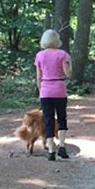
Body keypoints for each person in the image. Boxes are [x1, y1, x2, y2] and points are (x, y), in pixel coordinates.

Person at [35, 29, 73, 161]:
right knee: (62, 118)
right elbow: (68, 74)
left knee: (48, 119)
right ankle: (61, 146)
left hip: (46, 90)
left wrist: (40, 91)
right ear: (57, 40)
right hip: (59, 89)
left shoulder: (39, 55)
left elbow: (38, 77)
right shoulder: (63, 54)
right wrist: (70, 64)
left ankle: (51, 150)